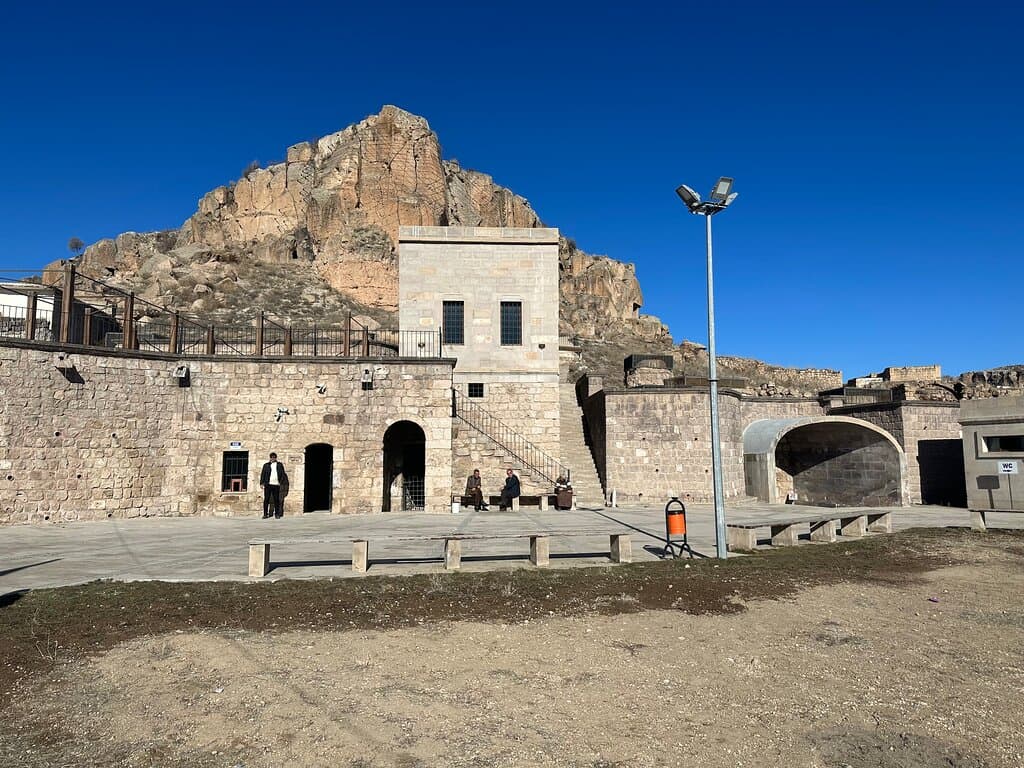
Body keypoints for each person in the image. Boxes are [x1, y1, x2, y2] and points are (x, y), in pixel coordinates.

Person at [260, 452, 289, 519]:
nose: (272, 458)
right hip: (268, 485)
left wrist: (280, 482)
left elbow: (282, 474)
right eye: (271, 457)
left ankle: (277, 514)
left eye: (274, 457)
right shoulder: (266, 465)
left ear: (276, 458)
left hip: (276, 485)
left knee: (276, 500)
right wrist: (261, 483)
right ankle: (265, 514)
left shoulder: (279, 465)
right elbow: (263, 474)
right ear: (270, 458)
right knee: (266, 499)